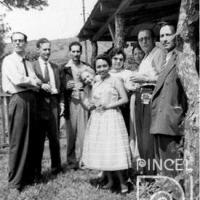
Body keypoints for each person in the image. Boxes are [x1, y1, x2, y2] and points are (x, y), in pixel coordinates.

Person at [81, 54, 131, 194]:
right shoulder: (95, 82)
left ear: (109, 66)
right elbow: (92, 99)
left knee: (113, 149)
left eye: (104, 66)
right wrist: (92, 103)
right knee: (103, 150)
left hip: (112, 117)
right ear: (95, 69)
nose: (101, 69)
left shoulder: (115, 80)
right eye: (98, 66)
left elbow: (124, 99)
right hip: (98, 119)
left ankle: (122, 183)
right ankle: (109, 180)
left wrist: (109, 105)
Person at [2, 32, 41, 191]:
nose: (18, 43)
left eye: (21, 41)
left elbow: (37, 83)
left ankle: (29, 176)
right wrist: (31, 82)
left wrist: (31, 83)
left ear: (25, 43)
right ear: (12, 43)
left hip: (31, 99)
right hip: (18, 99)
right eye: (15, 41)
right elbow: (18, 80)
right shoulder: (9, 60)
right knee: (18, 140)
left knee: (32, 138)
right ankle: (15, 182)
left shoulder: (29, 63)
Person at [150, 22, 187, 177]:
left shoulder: (181, 58)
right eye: (161, 36)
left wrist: (179, 113)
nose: (164, 39)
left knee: (172, 168)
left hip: (171, 120)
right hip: (160, 120)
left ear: (176, 35)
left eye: (168, 35)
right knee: (164, 166)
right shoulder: (165, 59)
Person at [130, 28, 165, 174]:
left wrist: (145, 79)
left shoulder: (158, 53)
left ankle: (151, 175)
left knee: (148, 138)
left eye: (146, 38)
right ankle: (146, 172)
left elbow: (164, 77)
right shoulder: (145, 57)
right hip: (141, 95)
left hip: (151, 96)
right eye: (140, 39)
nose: (143, 41)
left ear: (153, 39)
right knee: (141, 137)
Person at [60, 41, 93, 169]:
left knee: (84, 133)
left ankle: (84, 160)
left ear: (81, 52)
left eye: (78, 51)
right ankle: (71, 161)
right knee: (71, 133)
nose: (75, 54)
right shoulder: (64, 68)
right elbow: (60, 87)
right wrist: (66, 86)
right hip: (71, 102)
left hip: (84, 101)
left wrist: (85, 85)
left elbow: (92, 82)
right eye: (73, 51)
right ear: (70, 52)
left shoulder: (87, 67)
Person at [32, 38, 62, 177]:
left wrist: (60, 103)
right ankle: (36, 170)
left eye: (49, 49)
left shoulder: (55, 67)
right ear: (38, 49)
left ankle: (56, 167)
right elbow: (30, 85)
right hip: (39, 106)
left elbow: (59, 87)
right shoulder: (32, 66)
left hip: (54, 104)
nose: (47, 52)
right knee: (38, 140)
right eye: (44, 49)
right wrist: (40, 85)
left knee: (55, 138)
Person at [109, 48, 134, 133]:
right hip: (109, 107)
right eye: (115, 59)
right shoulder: (107, 74)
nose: (118, 61)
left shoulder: (128, 73)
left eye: (121, 59)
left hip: (124, 107)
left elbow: (131, 90)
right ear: (110, 59)